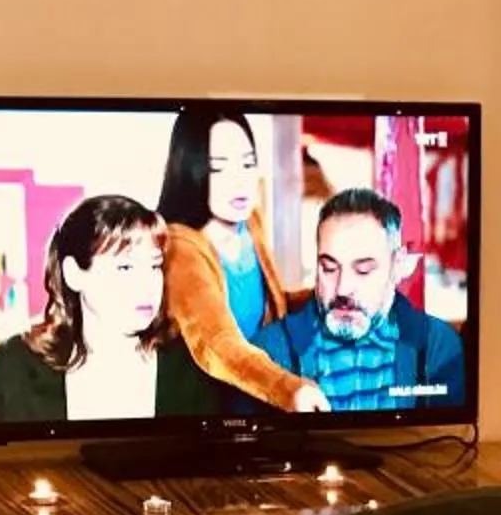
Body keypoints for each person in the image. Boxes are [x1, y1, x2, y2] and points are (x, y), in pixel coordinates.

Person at [154, 107, 329, 417]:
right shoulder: (181, 246)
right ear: (191, 170)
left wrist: (330, 297)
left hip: (260, 394)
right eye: (219, 168)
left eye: (248, 163)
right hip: (209, 402)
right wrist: (288, 389)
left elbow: (277, 306)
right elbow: (218, 345)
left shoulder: (250, 223)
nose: (240, 180)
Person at [247, 188, 469, 415]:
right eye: (329, 268)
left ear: (397, 265)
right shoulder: (267, 355)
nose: (343, 288)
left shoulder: (438, 346)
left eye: (363, 270)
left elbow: (444, 443)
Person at [0, 195, 171, 423]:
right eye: (126, 267)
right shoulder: (14, 365)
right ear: (74, 274)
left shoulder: (190, 366)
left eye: (155, 266)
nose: (148, 285)